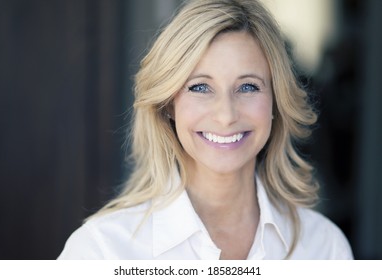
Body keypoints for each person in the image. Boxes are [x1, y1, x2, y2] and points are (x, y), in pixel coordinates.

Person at [58, 0, 353, 259]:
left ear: (276, 102)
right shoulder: (101, 252)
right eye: (200, 87)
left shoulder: (324, 249)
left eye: (248, 86)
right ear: (169, 104)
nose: (226, 115)